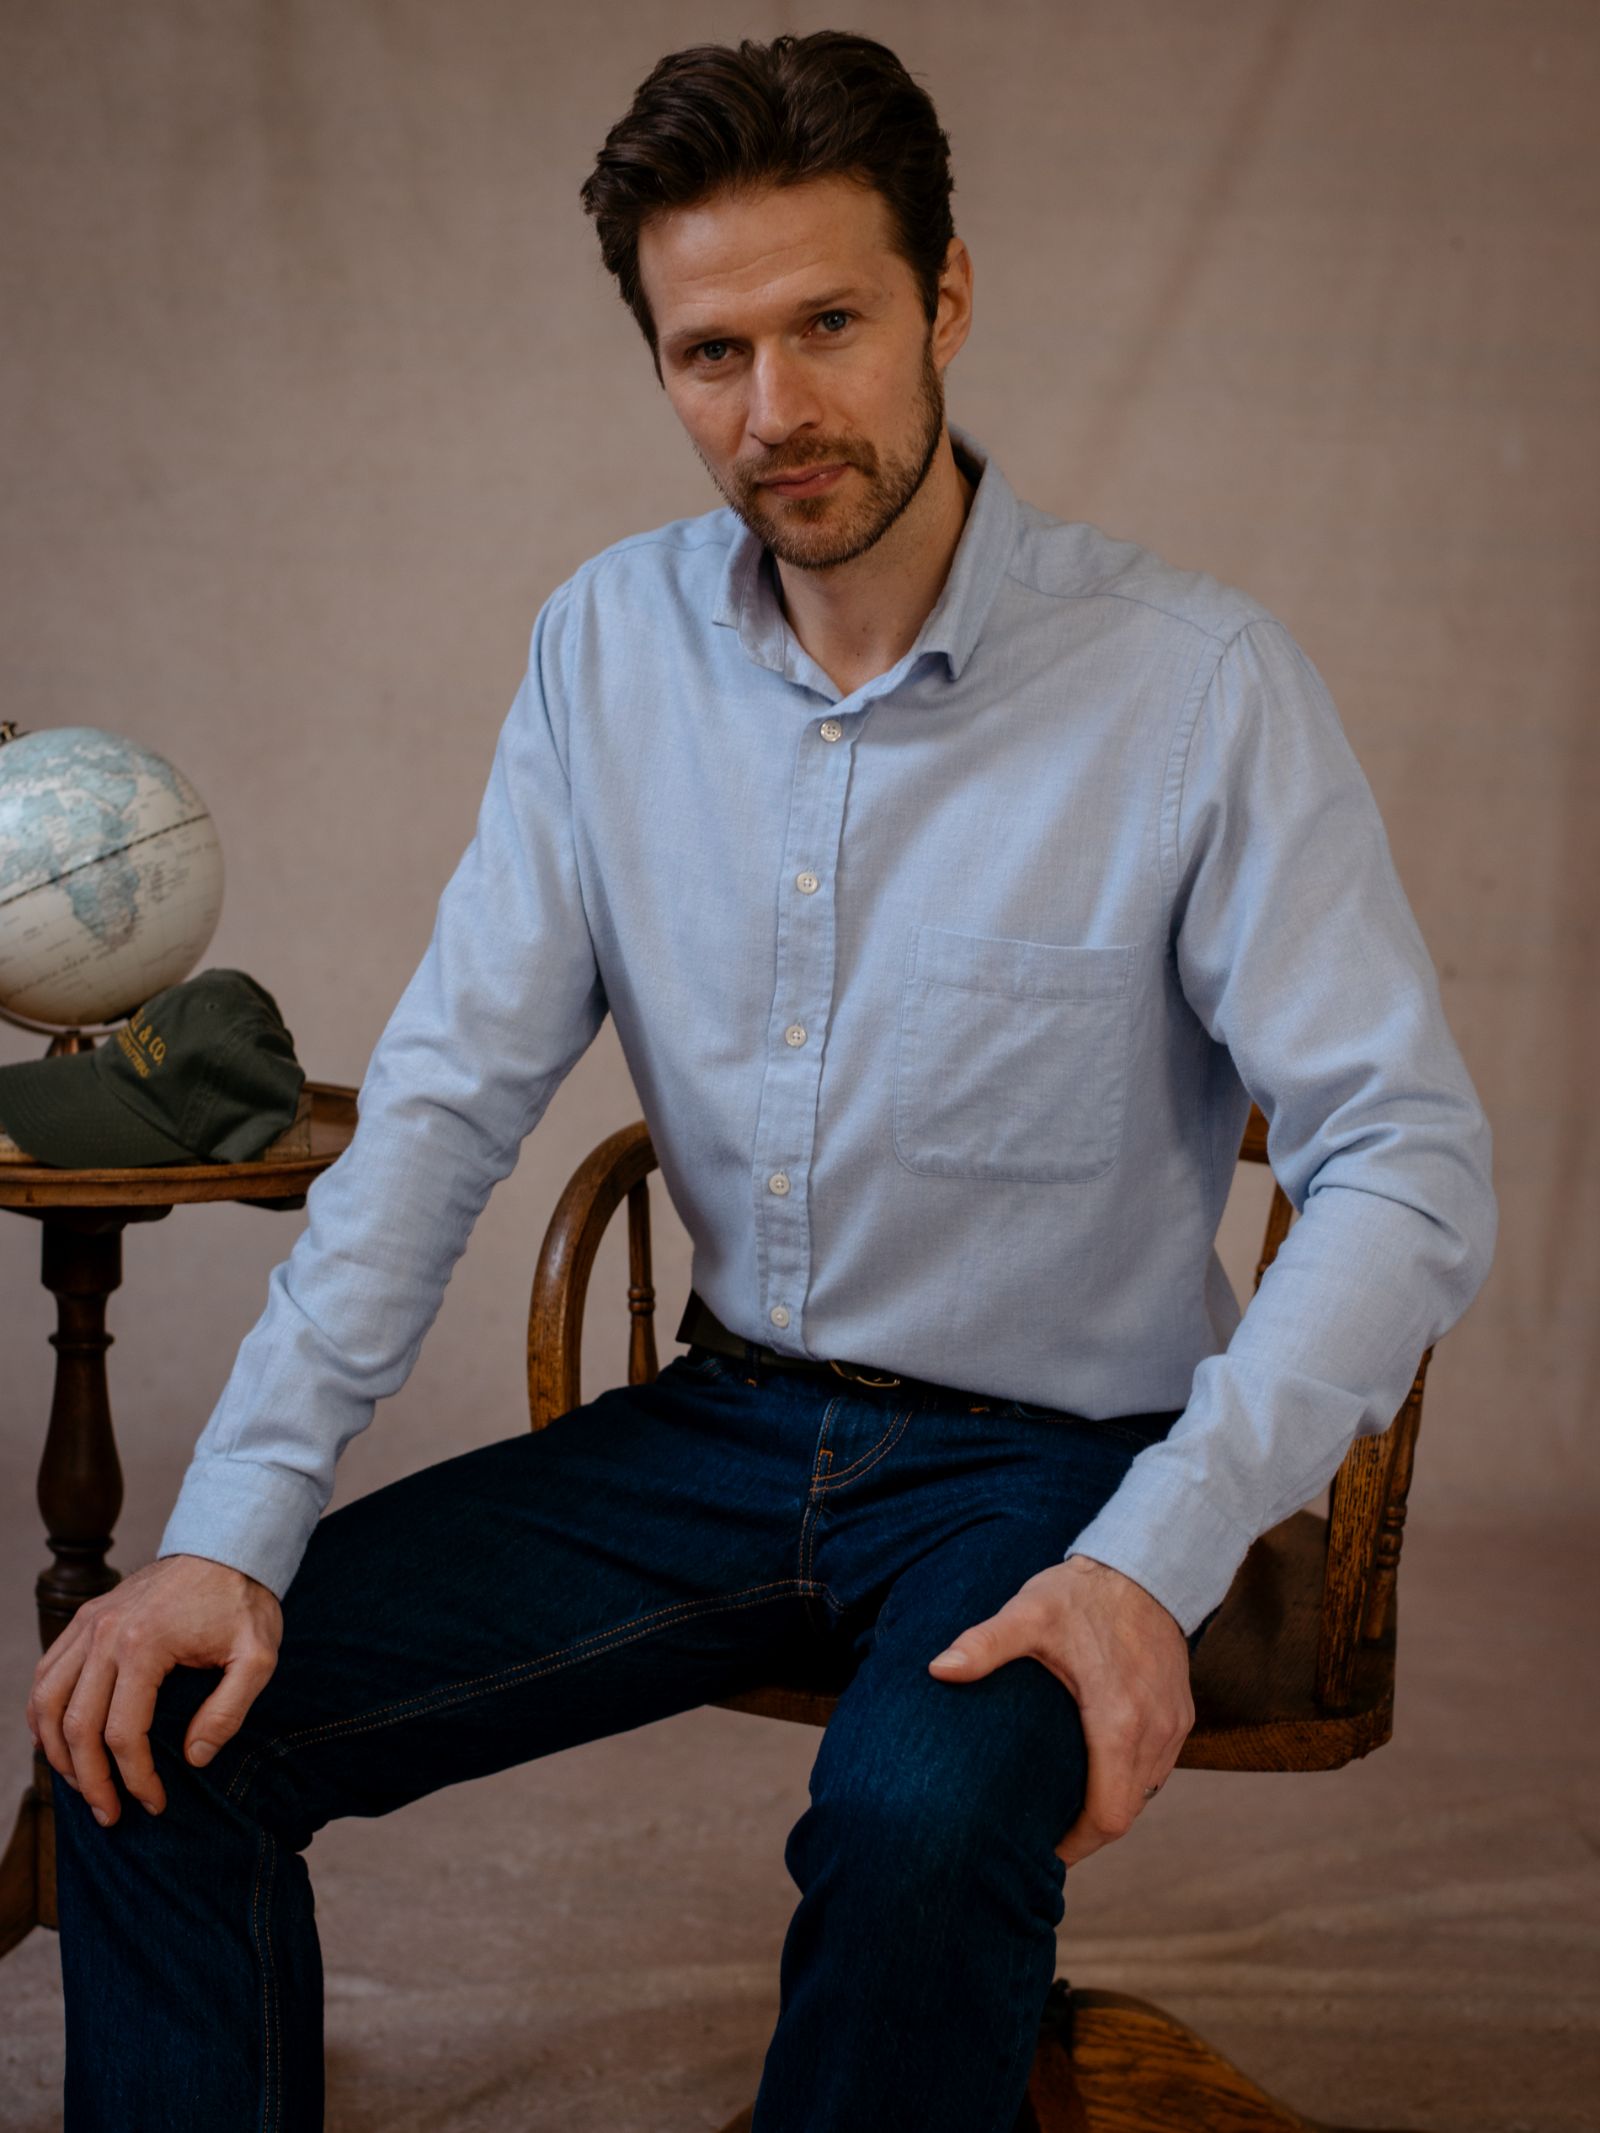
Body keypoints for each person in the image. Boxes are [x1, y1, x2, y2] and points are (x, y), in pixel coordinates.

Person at [28, 30, 1496, 2133]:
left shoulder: (1191, 688)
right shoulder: (601, 651)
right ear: (654, 357)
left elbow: (1407, 1164)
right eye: (709, 350)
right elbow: (446, 1097)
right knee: (156, 1724)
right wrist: (231, 1521)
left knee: (911, 1824)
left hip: (1042, 1466)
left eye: (830, 324)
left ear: (947, 301)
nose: (777, 410)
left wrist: (1149, 1549)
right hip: (718, 1425)